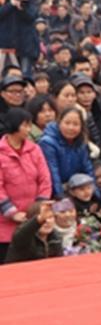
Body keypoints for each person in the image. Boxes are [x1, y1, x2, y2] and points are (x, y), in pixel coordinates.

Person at [0, 108, 53, 262]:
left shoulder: (34, 149)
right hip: (5, 222)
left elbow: (45, 178)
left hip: (32, 218)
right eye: (25, 125)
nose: (29, 129)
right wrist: (11, 212)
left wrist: (38, 209)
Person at [39, 106, 94, 199]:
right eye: (67, 123)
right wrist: (61, 197)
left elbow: (88, 168)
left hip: (76, 189)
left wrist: (95, 194)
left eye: (76, 124)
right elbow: (53, 173)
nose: (71, 127)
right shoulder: (47, 143)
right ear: (59, 122)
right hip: (56, 191)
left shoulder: (81, 143)